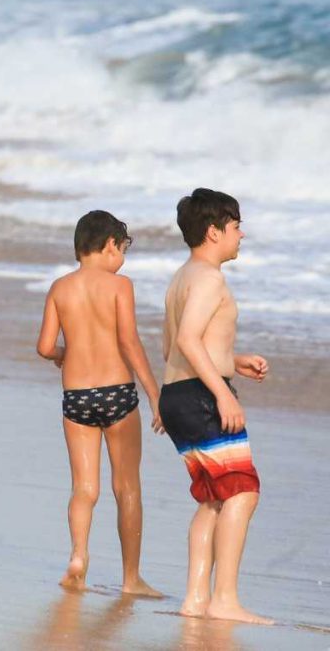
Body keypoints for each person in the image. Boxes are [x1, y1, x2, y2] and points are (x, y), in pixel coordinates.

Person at [36, 210, 162, 596]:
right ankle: (131, 579)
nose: (122, 258)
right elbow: (128, 342)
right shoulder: (119, 286)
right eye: (122, 249)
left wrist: (64, 354)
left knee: (83, 488)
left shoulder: (60, 287)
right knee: (127, 487)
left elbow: (43, 347)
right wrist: (155, 393)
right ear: (110, 245)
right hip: (117, 394)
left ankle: (78, 556)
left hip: (75, 397)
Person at [160, 188, 271, 624]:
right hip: (201, 396)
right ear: (213, 231)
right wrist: (223, 392)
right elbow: (187, 341)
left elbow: (173, 345)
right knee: (243, 492)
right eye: (236, 226)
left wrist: (233, 362)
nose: (241, 235)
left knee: (214, 499)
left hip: (180, 395)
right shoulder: (209, 279)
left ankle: (195, 600)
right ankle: (224, 598)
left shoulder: (182, 277)